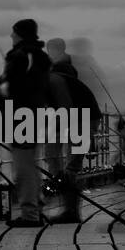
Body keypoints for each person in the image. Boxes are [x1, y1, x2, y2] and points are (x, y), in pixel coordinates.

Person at [0, 18, 52, 227]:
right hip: (31, 117)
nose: (11, 36)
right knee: (29, 165)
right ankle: (36, 206)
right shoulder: (37, 57)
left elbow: (15, 88)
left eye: (13, 32)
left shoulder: (22, 56)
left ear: (20, 34)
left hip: (21, 119)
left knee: (23, 167)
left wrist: (2, 92)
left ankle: (30, 214)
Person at [45, 38, 101, 222]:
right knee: (64, 161)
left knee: (69, 166)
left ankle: (70, 211)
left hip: (82, 119)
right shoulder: (67, 79)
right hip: (85, 117)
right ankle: (68, 204)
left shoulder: (53, 80)